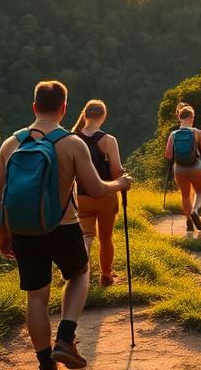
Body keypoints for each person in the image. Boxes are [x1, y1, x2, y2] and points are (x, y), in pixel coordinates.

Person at [0, 81, 133, 370]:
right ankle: (65, 339)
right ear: (64, 108)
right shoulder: (71, 143)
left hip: (23, 231)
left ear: (34, 107)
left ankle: (45, 363)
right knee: (80, 273)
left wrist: (3, 234)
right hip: (63, 227)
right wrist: (120, 183)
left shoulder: (11, 143)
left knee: (37, 296)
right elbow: (95, 188)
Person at [71, 99, 124, 286]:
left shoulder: (73, 139)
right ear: (103, 117)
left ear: (85, 115)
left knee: (86, 236)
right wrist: (123, 178)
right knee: (106, 238)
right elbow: (117, 171)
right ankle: (106, 276)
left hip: (81, 196)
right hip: (105, 195)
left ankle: (79, 271)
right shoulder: (109, 140)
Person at [164, 102, 201, 232]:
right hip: (195, 165)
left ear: (180, 118)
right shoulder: (197, 132)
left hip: (179, 168)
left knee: (185, 195)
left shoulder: (173, 134)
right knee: (200, 192)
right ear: (192, 118)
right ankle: (195, 211)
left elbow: (167, 155)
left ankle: (189, 221)